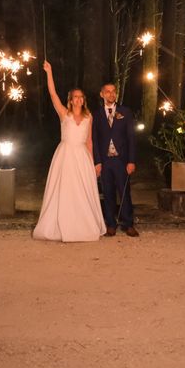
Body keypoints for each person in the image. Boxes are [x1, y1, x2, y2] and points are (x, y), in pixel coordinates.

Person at [33, 61, 105, 241]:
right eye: (75, 97)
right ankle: (62, 226)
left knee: (82, 190)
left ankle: (84, 225)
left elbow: (89, 141)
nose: (79, 99)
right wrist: (49, 72)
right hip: (65, 155)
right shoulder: (64, 114)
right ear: (71, 100)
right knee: (65, 190)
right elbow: (52, 93)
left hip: (81, 156)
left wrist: (94, 162)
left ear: (83, 99)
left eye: (81, 96)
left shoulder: (89, 117)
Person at [92, 82, 138, 237]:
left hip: (121, 160)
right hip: (105, 161)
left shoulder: (125, 112)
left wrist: (131, 160)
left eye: (113, 92)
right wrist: (97, 161)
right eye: (107, 92)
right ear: (102, 94)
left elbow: (131, 137)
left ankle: (128, 224)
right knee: (108, 192)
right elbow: (95, 140)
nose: (111, 94)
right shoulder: (96, 114)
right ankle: (111, 224)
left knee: (124, 192)